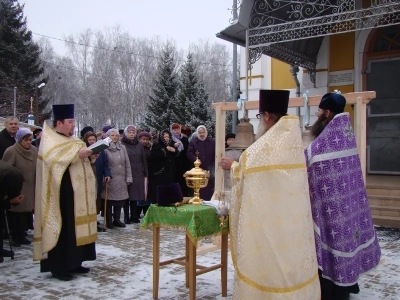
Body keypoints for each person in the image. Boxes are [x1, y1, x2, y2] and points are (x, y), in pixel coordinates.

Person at [221, 90, 320, 300]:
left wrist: (233, 166)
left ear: (266, 116)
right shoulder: (295, 146)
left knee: (272, 273)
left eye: (259, 117)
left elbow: (244, 173)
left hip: (270, 228)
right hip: (293, 229)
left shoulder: (260, 151)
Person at [306, 93, 381, 300]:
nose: (318, 114)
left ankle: (332, 292)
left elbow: (307, 163)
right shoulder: (345, 135)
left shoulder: (324, 144)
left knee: (332, 252)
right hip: (348, 208)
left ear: (327, 113)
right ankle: (346, 287)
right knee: (346, 243)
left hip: (333, 212)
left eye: (319, 111)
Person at [33, 104, 97, 281]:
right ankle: (58, 267)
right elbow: (52, 161)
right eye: (70, 122)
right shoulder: (50, 140)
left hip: (77, 196)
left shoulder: (75, 140)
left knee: (74, 229)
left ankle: (75, 262)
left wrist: (90, 156)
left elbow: (78, 162)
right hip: (60, 195)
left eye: (74, 121)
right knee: (64, 229)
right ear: (59, 122)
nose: (73, 125)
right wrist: (77, 155)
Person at [3, 128, 37, 246]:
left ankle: (22, 234)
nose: (28, 142)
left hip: (30, 184)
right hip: (18, 186)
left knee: (26, 211)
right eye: (26, 140)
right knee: (17, 211)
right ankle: (15, 236)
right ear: (20, 140)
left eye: (30, 139)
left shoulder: (34, 150)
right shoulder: (12, 151)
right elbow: (6, 169)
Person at [101, 129, 132, 228]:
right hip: (110, 178)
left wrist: (128, 177)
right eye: (112, 135)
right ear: (108, 136)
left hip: (121, 178)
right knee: (109, 200)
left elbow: (127, 163)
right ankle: (109, 220)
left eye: (116, 135)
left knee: (120, 200)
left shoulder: (122, 147)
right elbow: (103, 164)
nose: (114, 137)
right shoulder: (104, 148)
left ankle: (117, 219)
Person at [122, 125, 147, 224]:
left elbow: (143, 158)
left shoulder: (139, 144)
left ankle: (134, 215)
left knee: (135, 195)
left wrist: (145, 171)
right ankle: (126, 217)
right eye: (129, 132)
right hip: (127, 172)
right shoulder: (122, 144)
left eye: (133, 132)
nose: (131, 134)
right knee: (126, 196)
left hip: (138, 172)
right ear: (126, 133)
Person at [0, 160, 24, 263]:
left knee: (1, 222)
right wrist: (9, 201)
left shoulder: (14, 175)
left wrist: (15, 198)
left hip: (5, 180)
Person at [148, 129, 178, 204]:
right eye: (165, 137)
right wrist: (165, 150)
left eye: (168, 137)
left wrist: (174, 151)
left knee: (169, 196)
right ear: (161, 137)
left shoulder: (171, 145)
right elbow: (154, 157)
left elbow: (176, 155)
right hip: (160, 175)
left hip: (170, 174)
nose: (167, 138)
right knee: (160, 196)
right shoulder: (157, 145)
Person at [187, 125, 215, 200]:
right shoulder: (193, 142)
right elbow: (189, 153)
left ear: (206, 133)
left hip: (209, 169)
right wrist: (195, 160)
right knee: (199, 188)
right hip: (198, 170)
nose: (202, 134)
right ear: (197, 133)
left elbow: (216, 154)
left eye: (203, 132)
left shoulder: (211, 142)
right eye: (200, 133)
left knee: (208, 187)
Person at [170, 123, 190, 196]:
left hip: (183, 165)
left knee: (183, 184)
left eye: (178, 129)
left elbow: (187, 151)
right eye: (174, 130)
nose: (176, 131)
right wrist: (173, 145)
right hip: (173, 165)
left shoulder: (184, 139)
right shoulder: (170, 140)